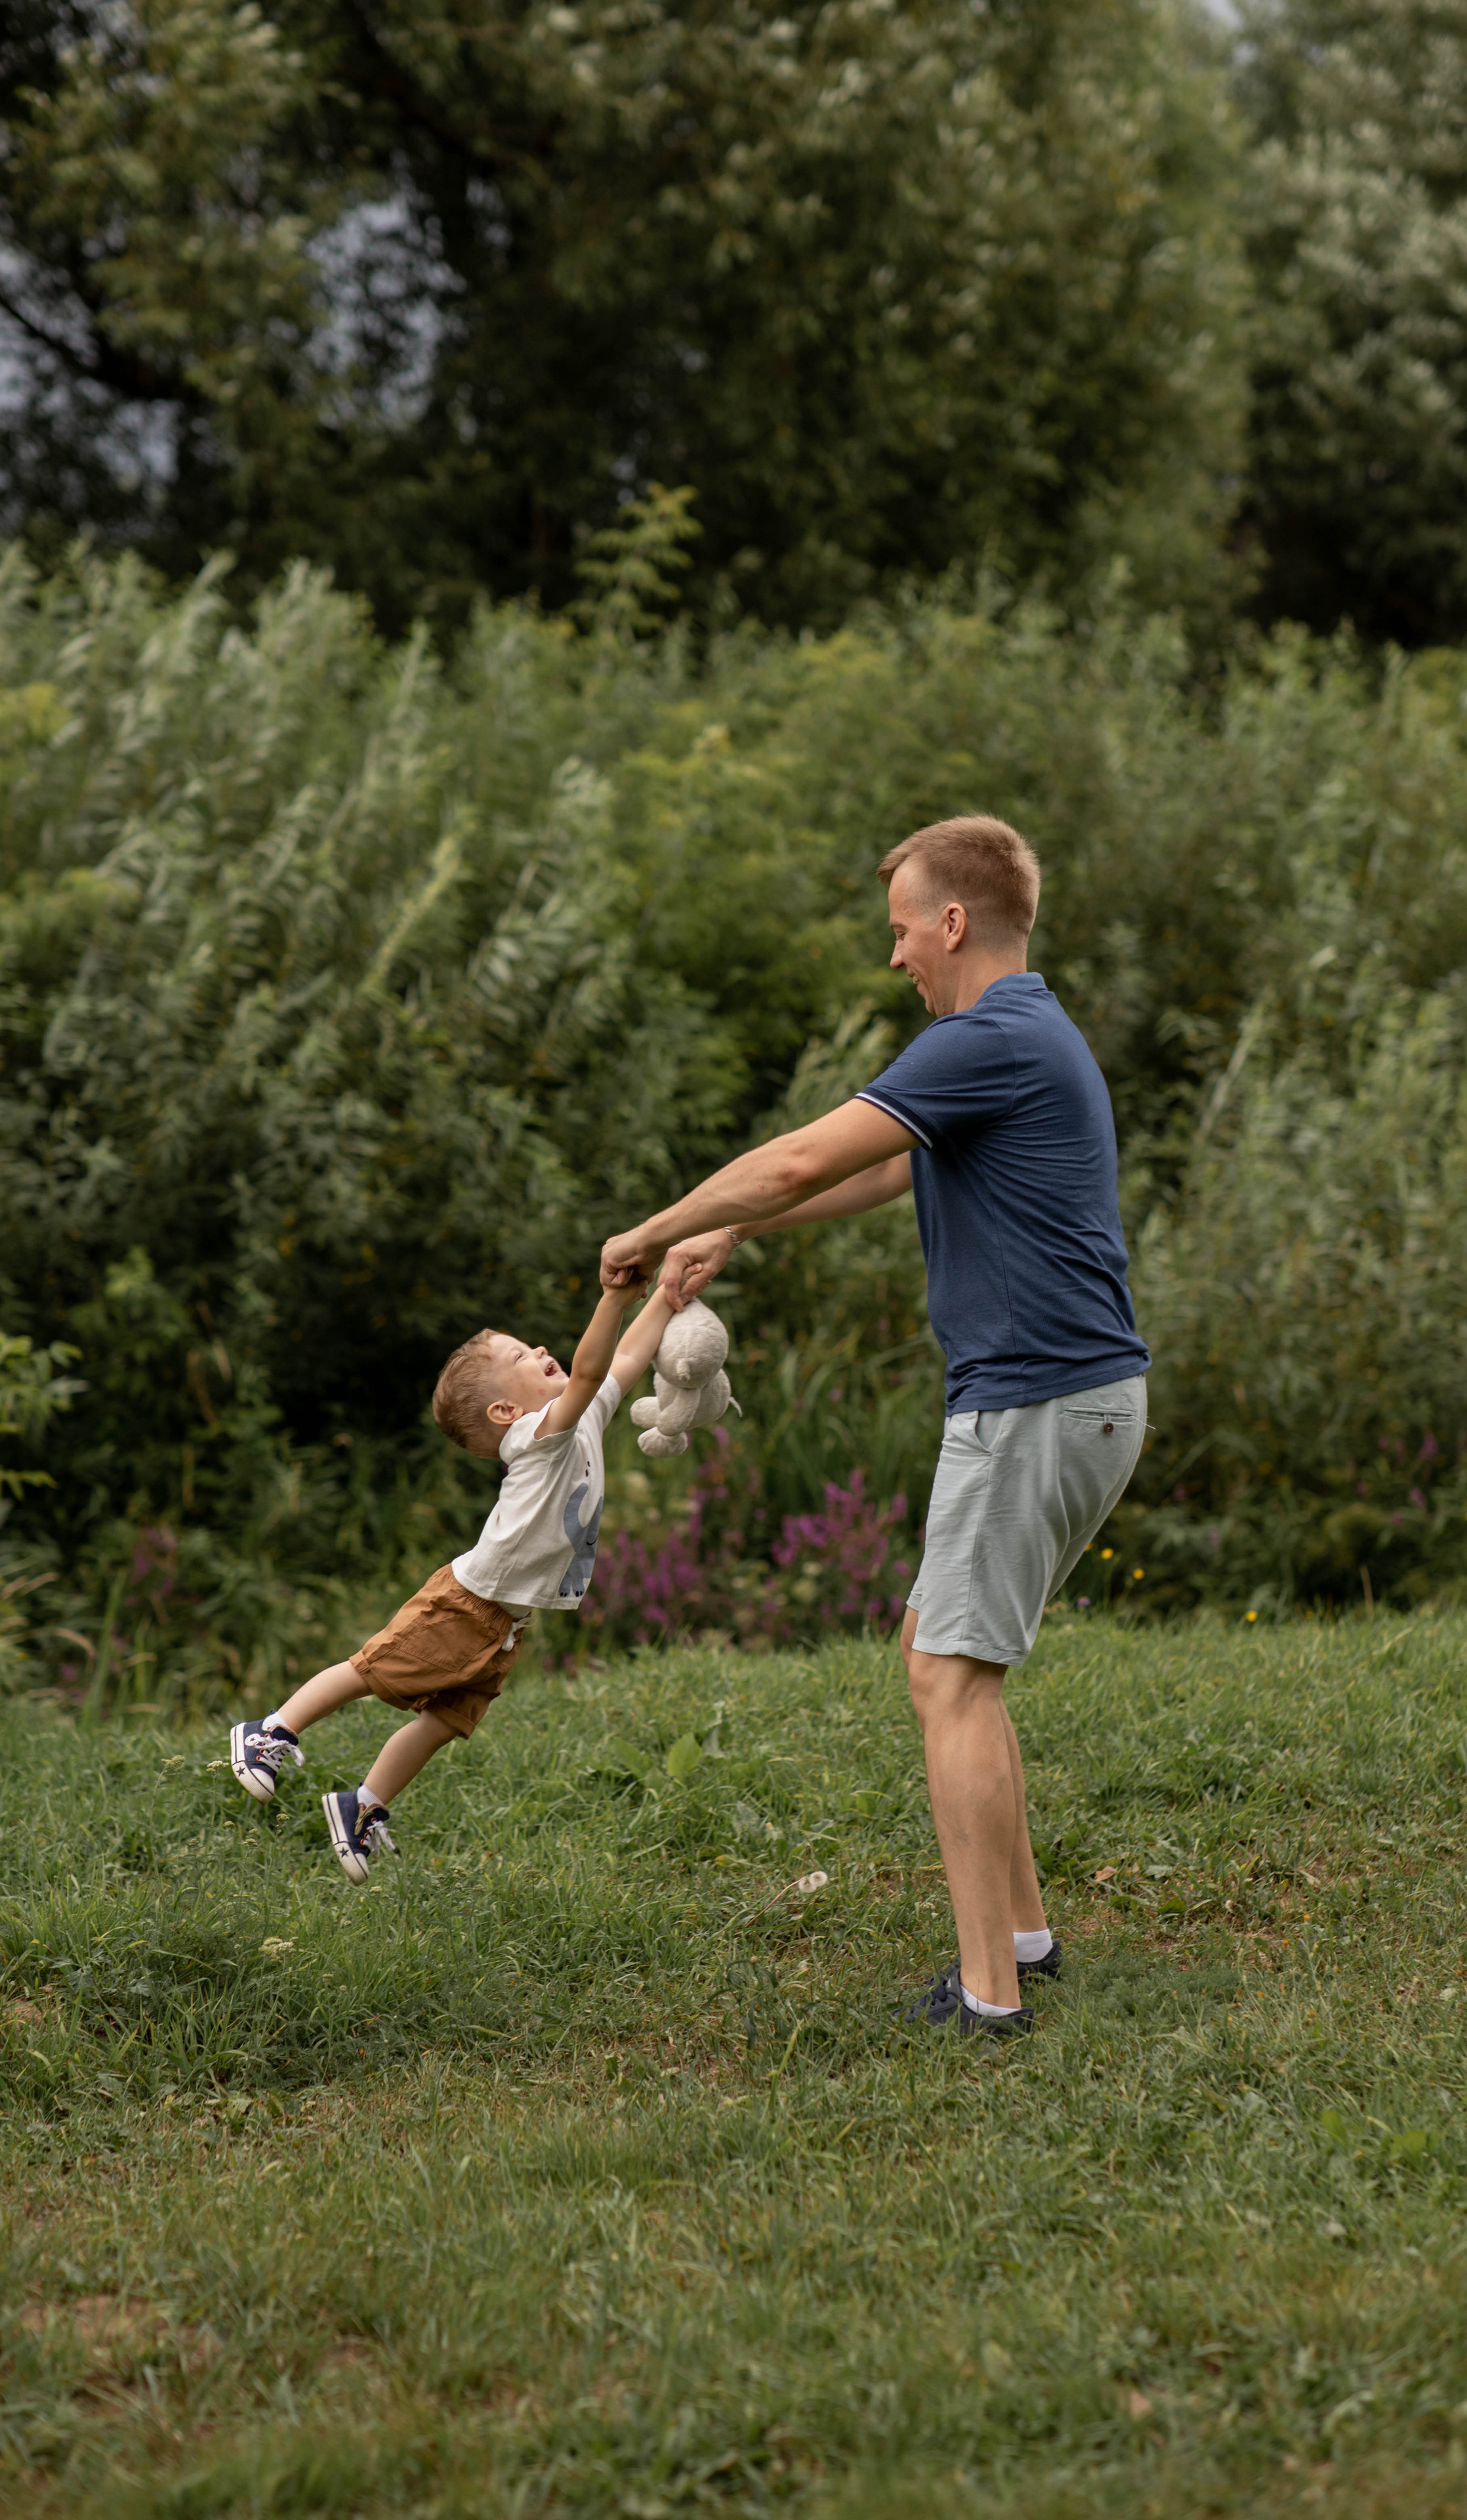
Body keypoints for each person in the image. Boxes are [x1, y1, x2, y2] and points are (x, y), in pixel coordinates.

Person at [600, 815, 1149, 2036]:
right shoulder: (1023, 1034)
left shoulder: (986, 1036)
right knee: (945, 1658)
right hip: (1074, 1398)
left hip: (1036, 1398)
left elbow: (802, 1157)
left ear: (953, 922)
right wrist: (735, 1227)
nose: (895, 955)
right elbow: (889, 1168)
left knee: (949, 1674)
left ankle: (990, 1997)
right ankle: (1022, 1940)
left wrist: (655, 1228)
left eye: (902, 930)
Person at [228, 1278, 674, 1880]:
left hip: (508, 1622)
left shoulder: (581, 1414)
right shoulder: (537, 1435)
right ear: (505, 1413)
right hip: (469, 1603)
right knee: (374, 1670)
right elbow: (594, 1369)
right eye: (522, 1355)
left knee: (444, 1722)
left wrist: (667, 1294)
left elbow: (626, 1357)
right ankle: (270, 1730)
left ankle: (362, 1806)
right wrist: (615, 1298)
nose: (543, 1350)